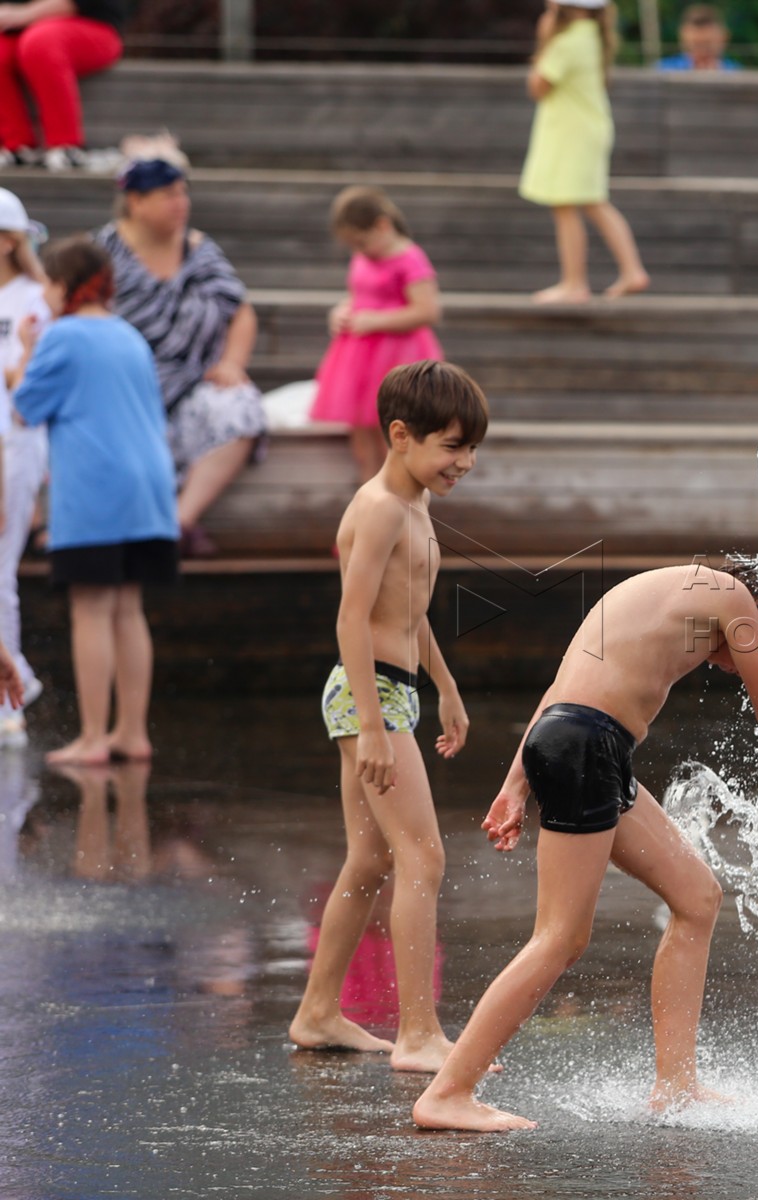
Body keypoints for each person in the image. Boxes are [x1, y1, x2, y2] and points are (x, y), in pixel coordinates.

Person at [412, 562, 758, 1131]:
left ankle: (676, 1084)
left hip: (577, 740)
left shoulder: (667, 591)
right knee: (560, 937)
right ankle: (449, 1092)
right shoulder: (731, 599)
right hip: (586, 744)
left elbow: (557, 695)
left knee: (697, 897)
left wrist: (515, 785)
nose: (734, 668)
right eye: (750, 656)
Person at [286, 360, 486, 1073]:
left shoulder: (417, 505)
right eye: (452, 446)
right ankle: (418, 1034)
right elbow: (351, 616)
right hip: (365, 694)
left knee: (372, 859)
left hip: (396, 690)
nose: (463, 462)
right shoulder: (376, 508)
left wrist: (448, 687)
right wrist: (371, 724)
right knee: (422, 856)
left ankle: (316, 1013)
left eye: (471, 449)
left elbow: (409, 613)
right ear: (400, 435)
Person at [13, 236, 178, 767]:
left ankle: (92, 736)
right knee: (129, 608)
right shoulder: (128, 335)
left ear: (63, 286)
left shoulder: (62, 338)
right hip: (149, 490)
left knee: (90, 609)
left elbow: (23, 407)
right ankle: (132, 731)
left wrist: (26, 350)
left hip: (96, 490)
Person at [99, 157, 267, 559]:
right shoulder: (101, 252)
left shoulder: (199, 248)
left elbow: (240, 310)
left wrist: (232, 363)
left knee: (242, 407)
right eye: (168, 195)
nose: (181, 203)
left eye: (183, 193)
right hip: (122, 393)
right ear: (135, 201)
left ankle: (177, 524)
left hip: (194, 382)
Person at [308, 187, 445, 482]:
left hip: (397, 356)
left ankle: (398, 496)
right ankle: (368, 493)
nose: (358, 250)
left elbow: (427, 311)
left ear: (382, 225)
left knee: (393, 433)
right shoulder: (363, 257)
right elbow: (359, 295)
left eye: (361, 241)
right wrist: (341, 312)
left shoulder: (410, 259)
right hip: (359, 357)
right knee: (360, 432)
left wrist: (376, 321)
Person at [521, 0, 650, 304]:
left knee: (567, 204)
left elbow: (538, 86)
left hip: (573, 134)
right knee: (591, 202)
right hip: (581, 132)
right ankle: (631, 270)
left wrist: (544, 42)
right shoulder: (589, 35)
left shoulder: (567, 42)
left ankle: (574, 283)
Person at [0, 189, 47, 748]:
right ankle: (22, 681)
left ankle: (10, 701)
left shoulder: (35, 299)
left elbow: (25, 391)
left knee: (1, 567)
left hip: (15, 443)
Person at [0, 0, 125, 172]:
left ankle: (66, 148)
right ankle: (18, 148)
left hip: (93, 27)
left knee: (40, 42)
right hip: (21, 30)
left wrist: (21, 14)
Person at [658, 5, 741, 71]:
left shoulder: (738, 74)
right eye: (696, 44)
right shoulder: (661, 71)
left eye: (707, 44)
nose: (702, 54)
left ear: (724, 38)